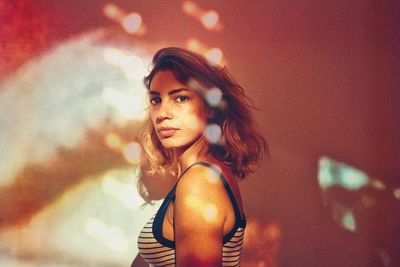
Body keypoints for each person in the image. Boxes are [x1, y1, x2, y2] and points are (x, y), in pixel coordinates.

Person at [135, 47, 268, 267]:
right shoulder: (204, 173)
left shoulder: (198, 184)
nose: (162, 114)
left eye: (180, 98)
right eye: (156, 100)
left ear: (211, 108)